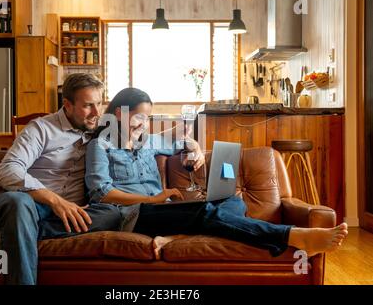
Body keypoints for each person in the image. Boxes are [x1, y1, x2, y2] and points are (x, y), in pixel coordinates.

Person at [85, 88, 348, 259]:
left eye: (147, 119)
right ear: (120, 113)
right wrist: (154, 199)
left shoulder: (147, 141)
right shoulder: (100, 145)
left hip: (163, 211)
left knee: (233, 200)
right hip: (134, 215)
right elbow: (102, 193)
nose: (143, 125)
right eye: (139, 119)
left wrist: (197, 148)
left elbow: (180, 142)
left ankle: (175, 235)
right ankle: (293, 235)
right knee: (207, 211)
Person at [0, 74, 123, 285]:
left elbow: (143, 135)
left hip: (66, 216)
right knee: (17, 202)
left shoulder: (100, 130)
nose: (96, 112)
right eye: (88, 106)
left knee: (111, 213)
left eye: (100, 104)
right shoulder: (40, 129)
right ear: (67, 104)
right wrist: (53, 199)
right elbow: (7, 169)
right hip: (27, 205)